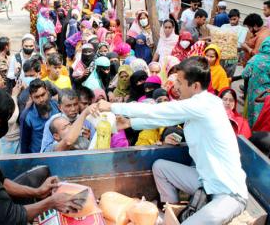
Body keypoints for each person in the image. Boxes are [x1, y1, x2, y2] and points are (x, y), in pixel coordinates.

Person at [94, 56, 248, 224]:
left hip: (228, 193)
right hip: (206, 180)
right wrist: (130, 123)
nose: (175, 86)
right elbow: (164, 119)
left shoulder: (203, 104)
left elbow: (159, 111)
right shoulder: (199, 103)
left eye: (180, 82)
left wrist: (112, 106)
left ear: (195, 86)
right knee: (160, 167)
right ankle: (170, 213)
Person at [0, 83, 82, 224]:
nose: (5, 125)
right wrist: (51, 202)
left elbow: (0, 181)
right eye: (1, 122)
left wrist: (37, 192)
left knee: (41, 172)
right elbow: (11, 217)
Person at [20, 79, 60, 153]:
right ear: (31, 98)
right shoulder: (27, 116)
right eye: (37, 97)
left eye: (43, 95)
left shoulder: (57, 106)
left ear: (47, 91)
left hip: (57, 153)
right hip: (38, 156)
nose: (41, 100)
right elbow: (24, 144)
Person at [242, 36, 270, 127]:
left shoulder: (255, 58)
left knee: (253, 114)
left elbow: (244, 74)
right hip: (267, 95)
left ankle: (252, 136)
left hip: (255, 93)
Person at [220, 9, 248, 77]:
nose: (232, 21)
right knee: (219, 74)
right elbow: (219, 39)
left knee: (228, 76)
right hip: (221, 55)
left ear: (239, 18)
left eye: (234, 19)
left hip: (232, 57)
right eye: (230, 19)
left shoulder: (242, 30)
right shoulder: (224, 26)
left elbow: (239, 45)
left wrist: (225, 42)